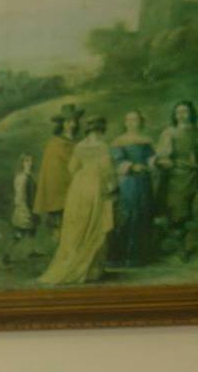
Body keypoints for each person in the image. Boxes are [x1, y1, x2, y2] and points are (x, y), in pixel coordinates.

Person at [39, 116, 116, 286]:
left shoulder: (80, 146)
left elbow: (72, 168)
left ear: (88, 130)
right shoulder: (103, 146)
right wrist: (112, 188)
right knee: (95, 226)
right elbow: (109, 171)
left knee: (78, 227)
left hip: (78, 187)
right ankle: (92, 270)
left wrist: (83, 175)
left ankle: (77, 264)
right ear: (101, 129)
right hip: (95, 186)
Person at [109, 109, 156, 267]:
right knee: (128, 214)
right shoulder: (118, 141)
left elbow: (151, 159)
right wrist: (131, 166)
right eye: (128, 120)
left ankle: (140, 255)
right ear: (125, 123)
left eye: (135, 119)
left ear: (141, 122)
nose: (131, 123)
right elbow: (117, 160)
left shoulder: (146, 140)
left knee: (143, 212)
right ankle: (122, 255)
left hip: (144, 181)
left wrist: (155, 162)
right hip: (127, 181)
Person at [155, 99, 196, 260]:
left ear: (191, 113)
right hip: (178, 178)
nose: (181, 115)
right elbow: (162, 156)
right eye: (178, 112)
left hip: (196, 175)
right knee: (180, 213)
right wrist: (166, 163)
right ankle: (182, 248)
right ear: (174, 115)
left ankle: (190, 245)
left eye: (185, 111)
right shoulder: (169, 132)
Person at [32, 106, 79, 226]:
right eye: (68, 122)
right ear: (62, 124)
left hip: (72, 185)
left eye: (74, 121)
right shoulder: (55, 144)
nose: (72, 125)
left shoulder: (75, 141)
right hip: (58, 190)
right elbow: (52, 170)